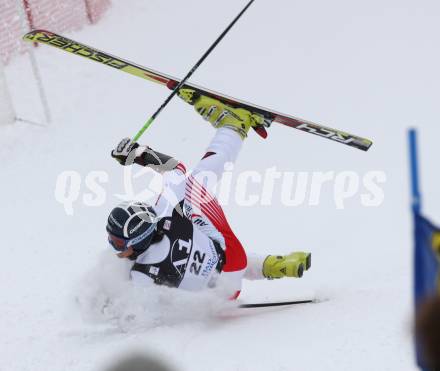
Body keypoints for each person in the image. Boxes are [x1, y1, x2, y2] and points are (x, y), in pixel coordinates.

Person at [106, 89, 311, 298]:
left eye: (117, 242)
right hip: (232, 258)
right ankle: (232, 128)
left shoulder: (140, 277)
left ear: (138, 240)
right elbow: (176, 169)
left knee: (192, 205)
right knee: (195, 186)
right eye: (112, 239)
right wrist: (137, 154)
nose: (113, 246)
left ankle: (274, 266)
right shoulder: (162, 212)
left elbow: (143, 314)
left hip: (226, 294)